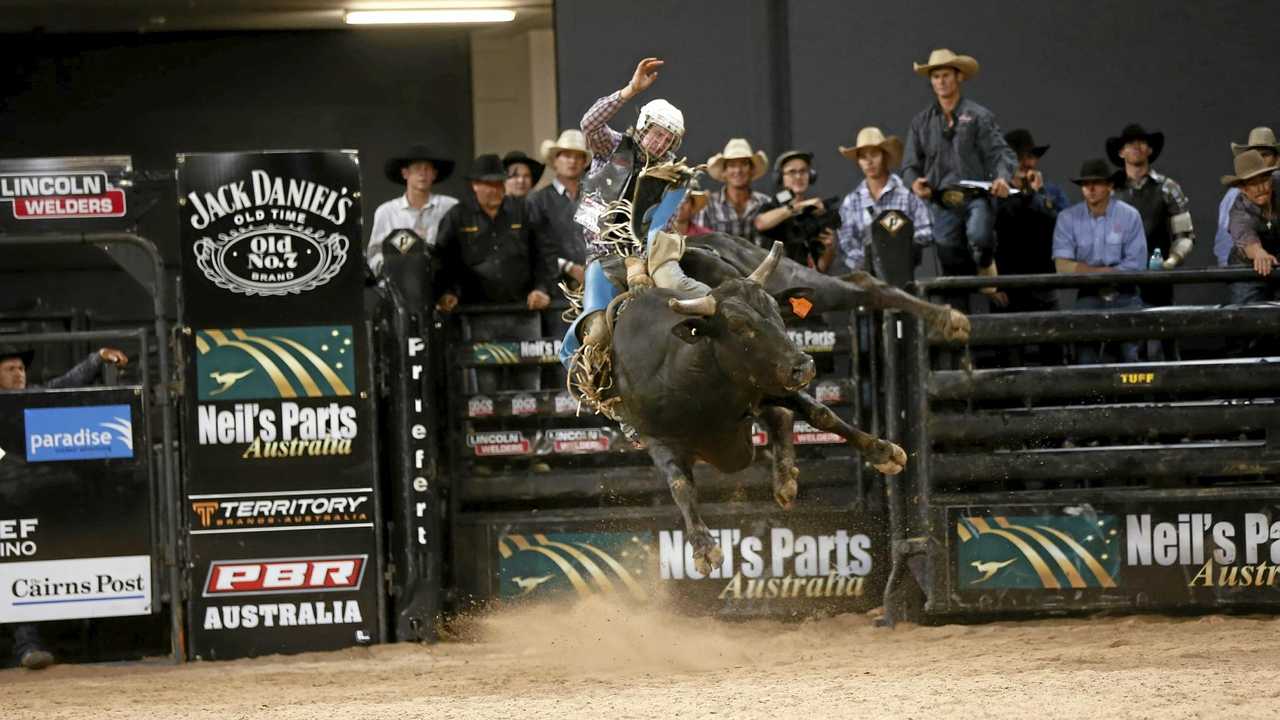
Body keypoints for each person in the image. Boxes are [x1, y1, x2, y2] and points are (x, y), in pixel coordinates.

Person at [562, 56, 706, 375]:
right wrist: (629, 91)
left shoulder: (673, 176)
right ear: (643, 127)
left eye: (669, 139)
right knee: (597, 327)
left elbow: (661, 228)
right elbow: (589, 124)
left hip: (649, 257)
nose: (661, 142)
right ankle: (591, 380)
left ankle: (724, 315)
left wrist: (640, 260)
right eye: (657, 133)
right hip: (604, 257)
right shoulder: (612, 147)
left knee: (679, 294)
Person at [0, 342, 129, 670]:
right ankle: (26, 644)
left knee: (28, 568)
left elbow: (66, 384)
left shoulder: (35, 397)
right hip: (8, 500)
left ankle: (29, 645)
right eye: (10, 369)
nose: (19, 374)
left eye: (21, 368)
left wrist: (96, 358)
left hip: (31, 502)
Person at [435, 154, 557, 393]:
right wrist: (446, 292)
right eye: (489, 184)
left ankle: (530, 431)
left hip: (523, 311)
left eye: (499, 184)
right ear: (475, 185)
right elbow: (442, 260)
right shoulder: (458, 216)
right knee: (484, 386)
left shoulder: (524, 210)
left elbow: (545, 254)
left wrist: (542, 289)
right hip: (478, 314)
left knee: (528, 383)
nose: (495, 190)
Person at [901, 48, 1016, 293]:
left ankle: (985, 261)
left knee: (980, 235)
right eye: (935, 77)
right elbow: (909, 165)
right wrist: (914, 183)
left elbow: (1000, 153)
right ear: (931, 82)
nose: (941, 81)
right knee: (948, 253)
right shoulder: (921, 122)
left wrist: (1002, 178)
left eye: (946, 75)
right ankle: (963, 299)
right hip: (942, 200)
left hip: (975, 196)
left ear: (959, 77)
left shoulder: (978, 116)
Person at [1052, 158, 1148, 364]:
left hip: (1125, 295)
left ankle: (1131, 396)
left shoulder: (1130, 216)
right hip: (1088, 295)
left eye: (1097, 183)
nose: (1091, 188)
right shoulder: (1067, 218)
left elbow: (1137, 265)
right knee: (1085, 356)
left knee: (1129, 357)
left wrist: (1089, 271)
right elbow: (1062, 266)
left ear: (1110, 185)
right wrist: (1105, 273)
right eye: (1085, 184)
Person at [834, 126, 932, 277]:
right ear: (858, 162)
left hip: (902, 275)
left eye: (874, 154)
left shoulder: (907, 194)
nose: (869, 161)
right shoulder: (852, 201)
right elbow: (845, 240)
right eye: (863, 157)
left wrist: (903, 248)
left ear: (885, 156)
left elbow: (926, 229)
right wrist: (863, 263)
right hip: (865, 279)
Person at [993, 129, 1070, 312]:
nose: (1026, 162)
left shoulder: (1051, 191)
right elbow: (985, 240)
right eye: (1018, 157)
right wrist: (991, 285)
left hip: (1044, 286)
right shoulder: (995, 193)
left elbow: (1066, 230)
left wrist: (1038, 195)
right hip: (1006, 287)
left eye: (1030, 156)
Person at [366, 145, 458, 275]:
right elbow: (374, 253)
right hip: (399, 283)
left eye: (427, 169)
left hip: (441, 282)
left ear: (434, 174)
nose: (422, 173)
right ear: (405, 173)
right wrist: (388, 270)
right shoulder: (387, 212)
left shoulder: (450, 207)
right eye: (417, 169)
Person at [527, 130, 593, 288]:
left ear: (584, 162)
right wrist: (568, 267)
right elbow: (534, 246)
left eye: (578, 156)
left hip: (594, 281)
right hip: (554, 287)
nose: (572, 161)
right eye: (567, 156)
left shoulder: (594, 197)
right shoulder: (538, 200)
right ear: (555, 161)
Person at [753, 150, 839, 267]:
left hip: (802, 280)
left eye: (803, 171)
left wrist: (829, 248)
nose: (798, 177)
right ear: (780, 178)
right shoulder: (772, 205)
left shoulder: (816, 214)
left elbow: (821, 267)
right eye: (792, 172)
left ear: (811, 176)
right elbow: (760, 223)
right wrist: (798, 206)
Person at [1215, 127, 1279, 268]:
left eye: (1265, 155)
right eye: (1254, 155)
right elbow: (1236, 234)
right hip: (1246, 266)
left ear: (1277, 159)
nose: (1258, 160)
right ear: (1243, 189)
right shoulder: (1235, 200)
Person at [1222, 149, 1280, 303]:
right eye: (1253, 184)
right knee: (1248, 315)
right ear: (1242, 189)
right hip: (1247, 269)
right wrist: (1259, 253)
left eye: (1264, 180)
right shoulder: (1239, 213)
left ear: (1271, 178)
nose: (1261, 188)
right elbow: (1246, 238)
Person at [697, 138, 772, 247]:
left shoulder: (765, 202)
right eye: (732, 165)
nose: (738, 170)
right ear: (724, 172)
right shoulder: (709, 205)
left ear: (751, 170)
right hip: (719, 263)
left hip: (760, 262)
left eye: (744, 164)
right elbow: (702, 244)